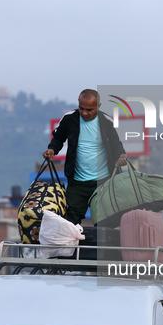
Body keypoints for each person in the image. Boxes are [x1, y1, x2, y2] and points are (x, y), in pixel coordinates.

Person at [43, 89, 127, 224]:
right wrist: (52, 150)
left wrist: (121, 156)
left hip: (103, 182)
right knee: (70, 221)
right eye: (81, 108)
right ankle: (71, 245)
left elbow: (116, 144)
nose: (84, 113)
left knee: (105, 221)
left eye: (89, 110)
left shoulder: (106, 121)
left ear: (98, 106)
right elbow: (58, 139)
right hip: (77, 183)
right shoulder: (68, 119)